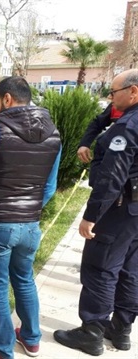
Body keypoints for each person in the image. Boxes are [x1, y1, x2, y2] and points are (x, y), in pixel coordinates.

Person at [0, 76, 61, 359]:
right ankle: (31, 339)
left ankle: (2, 349)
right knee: (24, 279)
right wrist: (29, 210)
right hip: (30, 225)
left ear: (7, 99)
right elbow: (50, 187)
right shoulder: (54, 133)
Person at [54, 69, 138, 356]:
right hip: (135, 211)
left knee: (101, 268)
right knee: (130, 270)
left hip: (119, 209)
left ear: (133, 91)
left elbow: (112, 178)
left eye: (114, 92)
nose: (110, 97)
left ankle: (92, 332)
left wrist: (91, 215)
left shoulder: (128, 126)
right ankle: (121, 330)